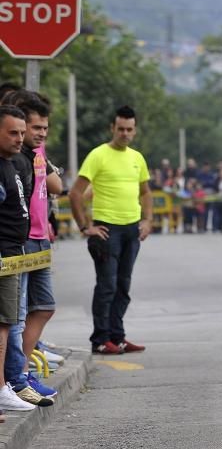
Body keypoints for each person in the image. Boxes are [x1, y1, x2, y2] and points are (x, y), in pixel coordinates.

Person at [69, 106, 153, 354]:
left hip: (132, 230)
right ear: (112, 129)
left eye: (129, 129)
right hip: (107, 230)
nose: (125, 134)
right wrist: (85, 226)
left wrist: (148, 220)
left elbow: (146, 192)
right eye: (121, 129)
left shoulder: (137, 158)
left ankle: (118, 337)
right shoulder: (98, 155)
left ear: (135, 130)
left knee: (123, 286)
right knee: (107, 285)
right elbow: (75, 193)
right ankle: (100, 339)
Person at [4, 94, 60, 400]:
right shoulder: (17, 160)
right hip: (22, 241)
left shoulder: (37, 155)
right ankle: (16, 378)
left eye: (44, 128)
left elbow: (56, 187)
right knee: (17, 313)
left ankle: (22, 372)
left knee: (44, 306)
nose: (38, 134)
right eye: (33, 127)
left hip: (41, 238)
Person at [0, 106, 37, 412]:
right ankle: (3, 387)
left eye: (22, 133)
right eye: (13, 132)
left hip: (15, 253)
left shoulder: (11, 163)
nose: (19, 139)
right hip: (4, 254)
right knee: (3, 323)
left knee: (8, 320)